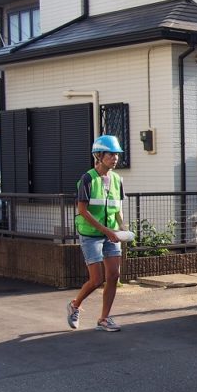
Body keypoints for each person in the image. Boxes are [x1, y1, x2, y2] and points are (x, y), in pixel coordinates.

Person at [66, 135, 130, 332]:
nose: (115, 158)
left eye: (116, 154)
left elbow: (117, 208)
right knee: (96, 279)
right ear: (98, 156)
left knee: (114, 275)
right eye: (110, 154)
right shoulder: (87, 179)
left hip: (111, 233)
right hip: (91, 234)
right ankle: (75, 305)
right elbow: (82, 211)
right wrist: (107, 231)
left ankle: (104, 319)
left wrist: (122, 227)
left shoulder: (117, 180)